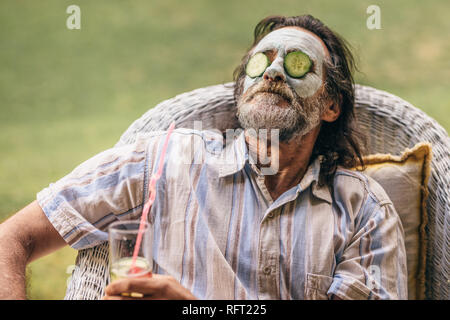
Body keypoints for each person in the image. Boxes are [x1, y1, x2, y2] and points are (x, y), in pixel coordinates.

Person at [0, 14, 407, 300]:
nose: (274, 72)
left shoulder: (364, 210)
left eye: (297, 63)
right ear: (242, 88)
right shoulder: (161, 160)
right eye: (261, 61)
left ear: (331, 104)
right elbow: (12, 238)